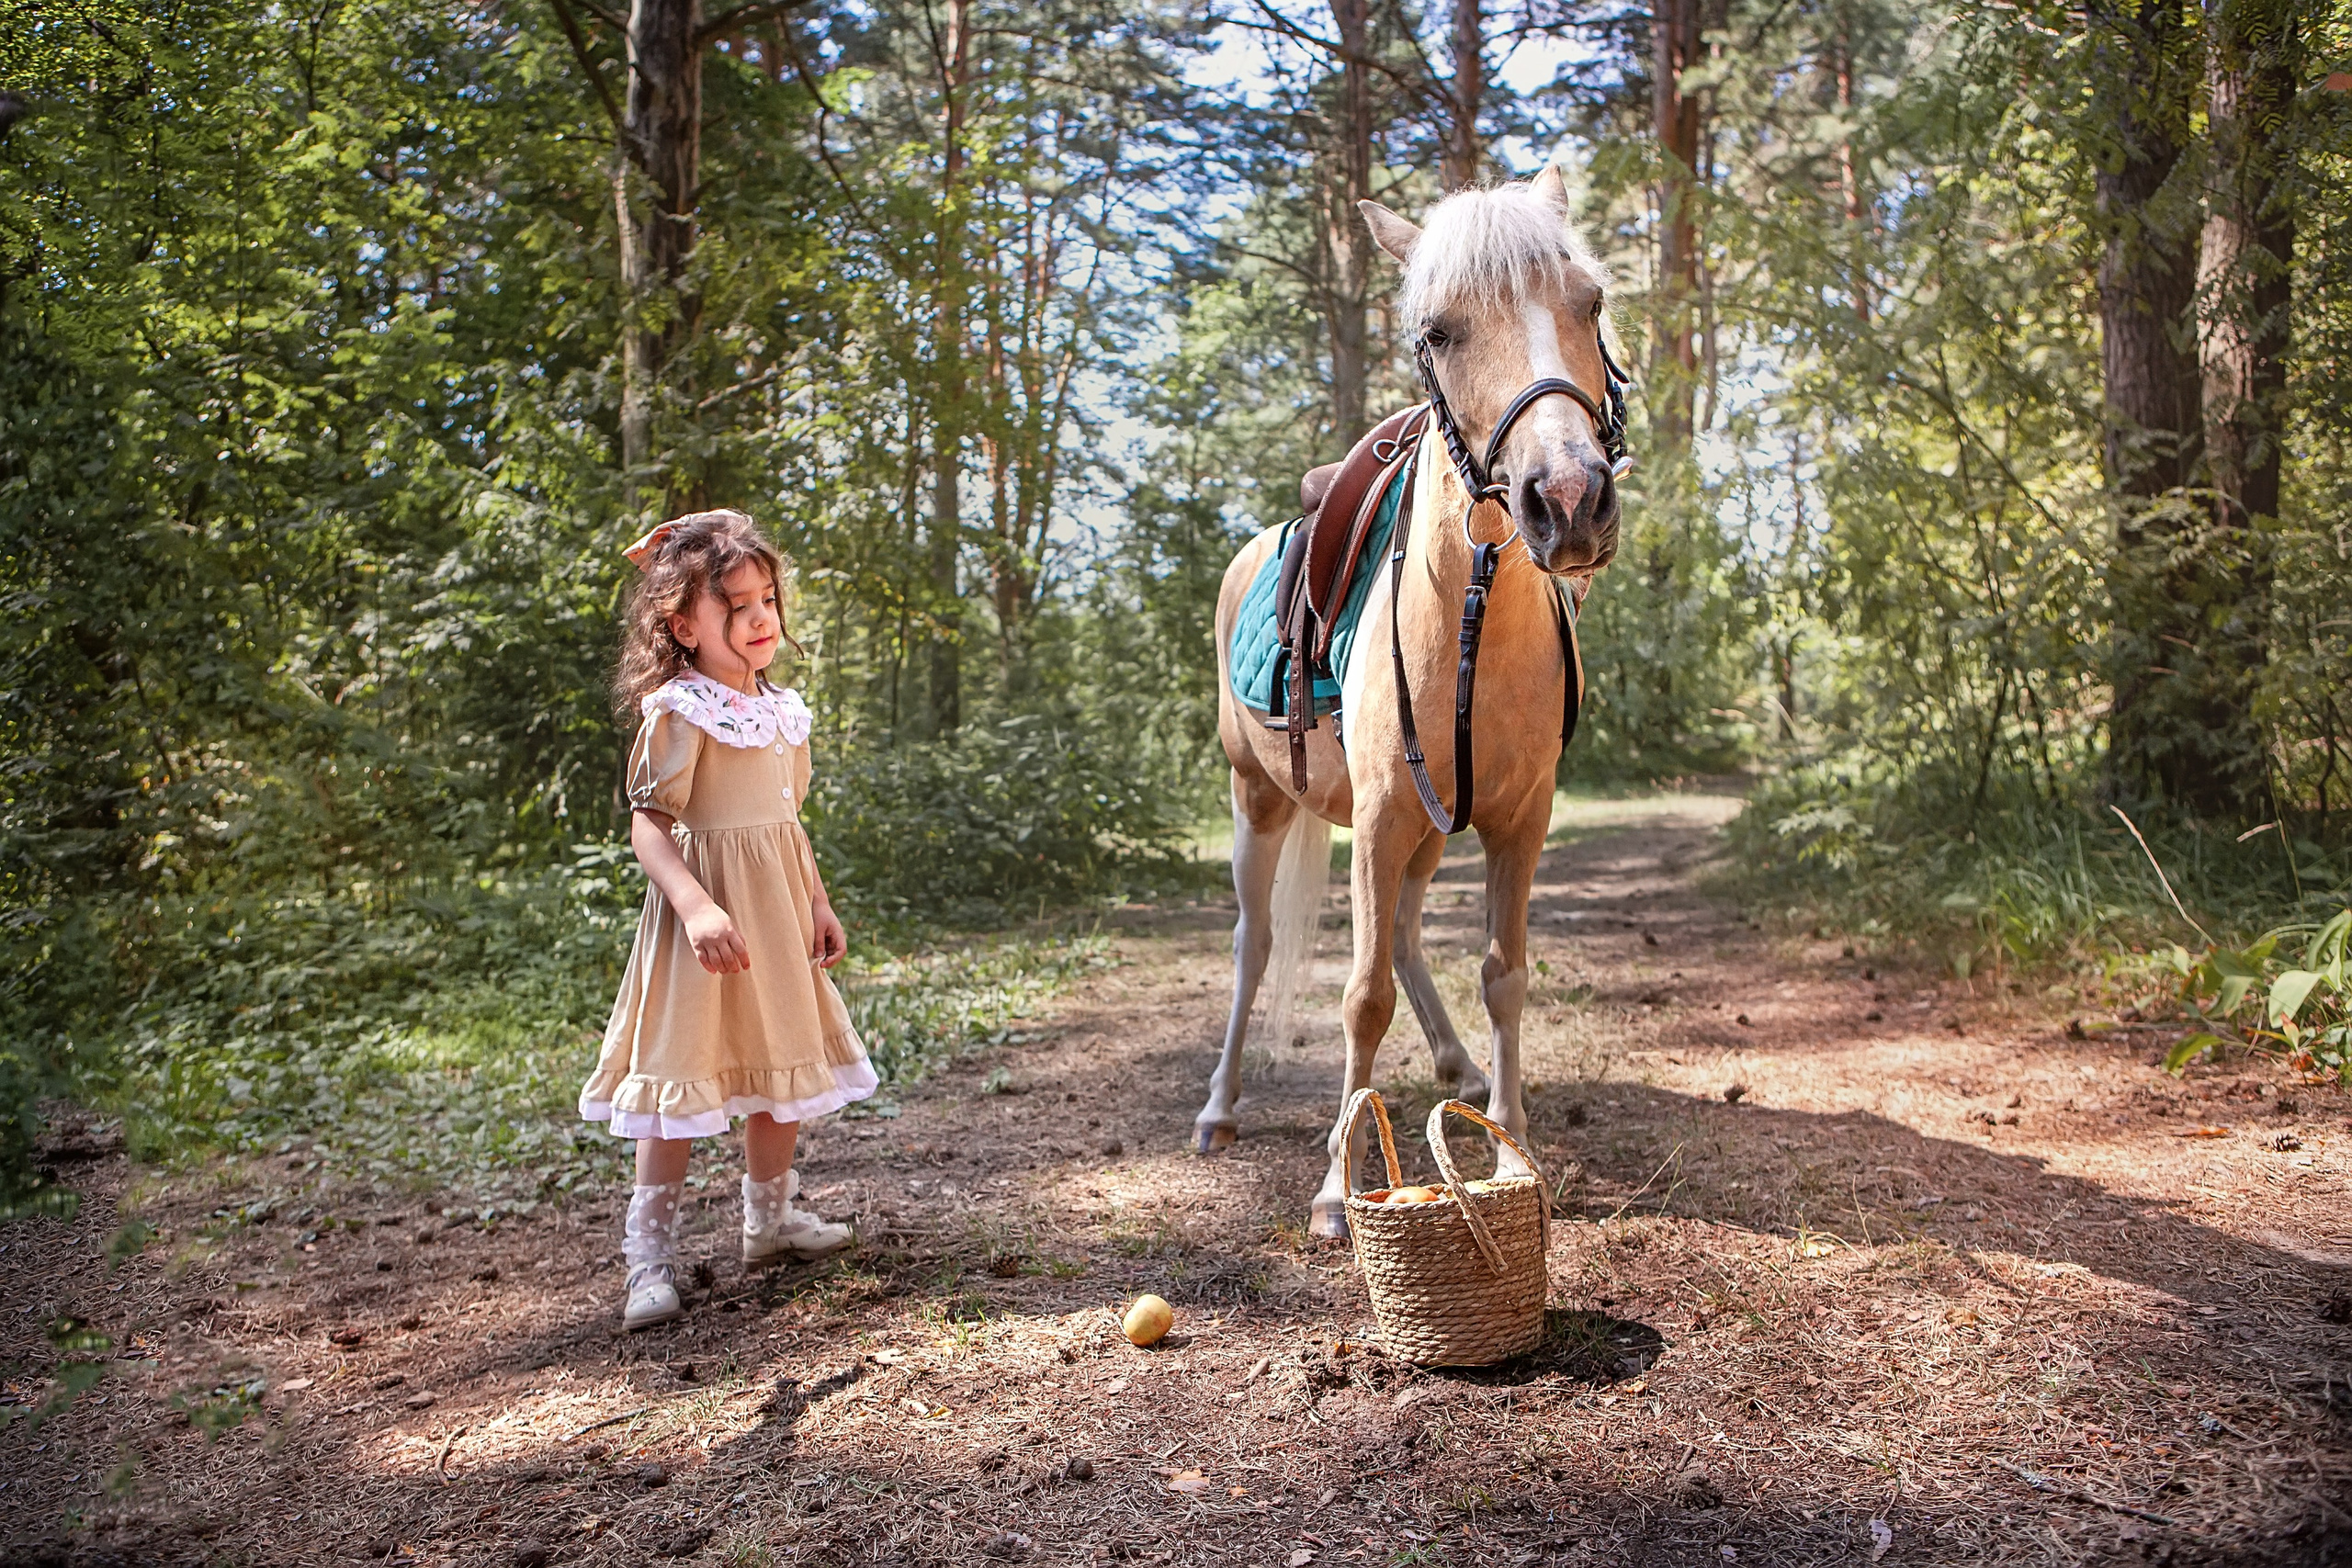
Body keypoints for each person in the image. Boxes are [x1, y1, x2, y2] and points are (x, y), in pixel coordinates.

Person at [581, 509, 873, 1329]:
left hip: (775, 918)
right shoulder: (681, 711)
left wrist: (815, 901)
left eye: (767, 601)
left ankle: (769, 1220)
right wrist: (695, 904)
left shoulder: (781, 712)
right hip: (702, 922)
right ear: (683, 626)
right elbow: (650, 824)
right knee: (681, 1084)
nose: (759, 619)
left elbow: (787, 824)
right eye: (736, 607)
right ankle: (649, 1259)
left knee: (780, 1061)